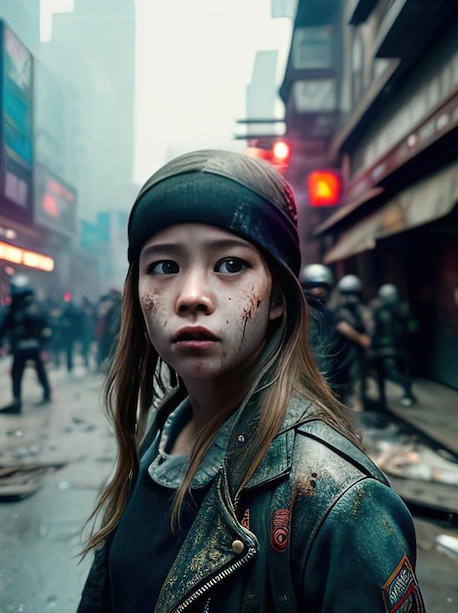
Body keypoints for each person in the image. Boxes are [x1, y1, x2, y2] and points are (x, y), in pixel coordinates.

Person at [76, 150, 424, 612]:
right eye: (163, 266)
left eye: (230, 264)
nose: (192, 297)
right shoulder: (161, 436)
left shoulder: (340, 504)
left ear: (276, 297)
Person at [0, 274, 52, 414]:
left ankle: (18, 400)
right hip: (32, 346)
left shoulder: (14, 308)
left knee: (18, 372)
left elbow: (1, 327)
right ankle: (46, 392)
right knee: (37, 369)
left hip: (21, 347)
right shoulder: (36, 305)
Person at [368, 283, 417, 407]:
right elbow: (375, 328)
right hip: (383, 346)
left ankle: (407, 394)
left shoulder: (402, 310)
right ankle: (382, 398)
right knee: (382, 371)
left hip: (399, 347)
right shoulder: (379, 310)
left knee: (401, 371)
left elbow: (411, 327)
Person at [298, 263, 342, 395]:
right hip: (309, 377)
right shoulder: (303, 313)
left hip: (327, 374)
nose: (317, 291)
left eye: (321, 288)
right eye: (313, 287)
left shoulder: (326, 313)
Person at [330, 273, 372, 409]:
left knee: (356, 384)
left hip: (355, 356)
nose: (351, 297)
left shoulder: (361, 310)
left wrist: (367, 336)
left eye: (353, 293)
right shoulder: (338, 310)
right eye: (348, 293)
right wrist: (361, 339)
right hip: (340, 353)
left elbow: (369, 323)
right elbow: (340, 326)